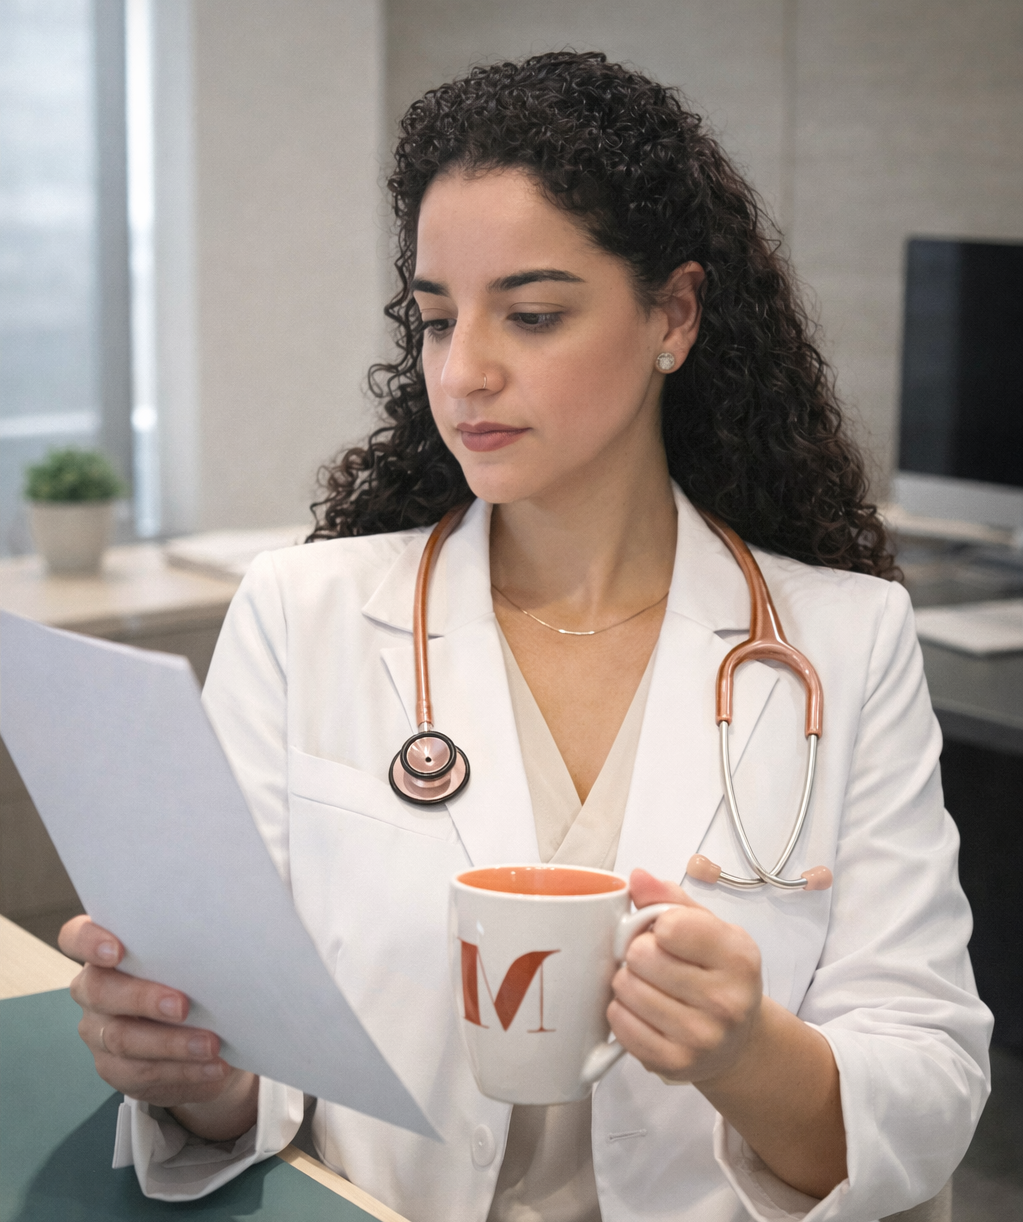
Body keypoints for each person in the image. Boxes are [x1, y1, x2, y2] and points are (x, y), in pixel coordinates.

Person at [59, 52, 990, 1221]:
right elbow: (256, 1069)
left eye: (533, 315)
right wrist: (192, 1071)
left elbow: (929, 1081)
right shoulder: (303, 616)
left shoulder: (845, 646)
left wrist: (746, 1050)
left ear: (674, 315)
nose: (464, 373)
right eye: (437, 320)